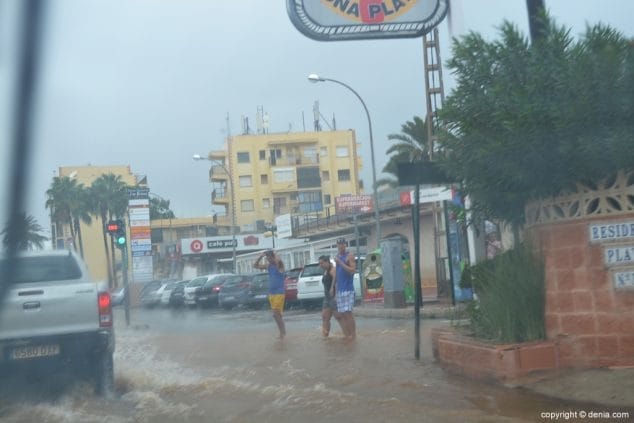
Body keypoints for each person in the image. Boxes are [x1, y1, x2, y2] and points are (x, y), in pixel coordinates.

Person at [254, 249, 286, 339]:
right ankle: (282, 333)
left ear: (273, 257)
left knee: (276, 314)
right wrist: (261, 256)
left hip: (279, 293)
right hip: (272, 293)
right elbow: (255, 265)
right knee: (277, 315)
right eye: (267, 259)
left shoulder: (280, 266)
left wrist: (275, 253)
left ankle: (283, 334)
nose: (269, 260)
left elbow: (278, 261)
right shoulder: (269, 266)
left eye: (270, 258)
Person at [334, 238, 356, 340]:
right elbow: (337, 274)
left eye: (342, 244)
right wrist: (335, 288)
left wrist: (341, 263)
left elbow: (352, 271)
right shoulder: (337, 256)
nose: (340, 246)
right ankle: (348, 335)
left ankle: (353, 335)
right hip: (340, 289)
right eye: (338, 244)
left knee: (348, 312)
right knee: (342, 313)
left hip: (348, 288)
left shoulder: (349, 255)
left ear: (345, 245)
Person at [318, 254, 340, 338]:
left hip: (333, 297)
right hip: (327, 298)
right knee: (325, 317)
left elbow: (336, 279)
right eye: (319, 264)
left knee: (339, 317)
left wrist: (332, 289)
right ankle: (325, 336)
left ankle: (349, 335)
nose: (320, 265)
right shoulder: (326, 270)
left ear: (327, 262)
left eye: (322, 263)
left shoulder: (332, 269)